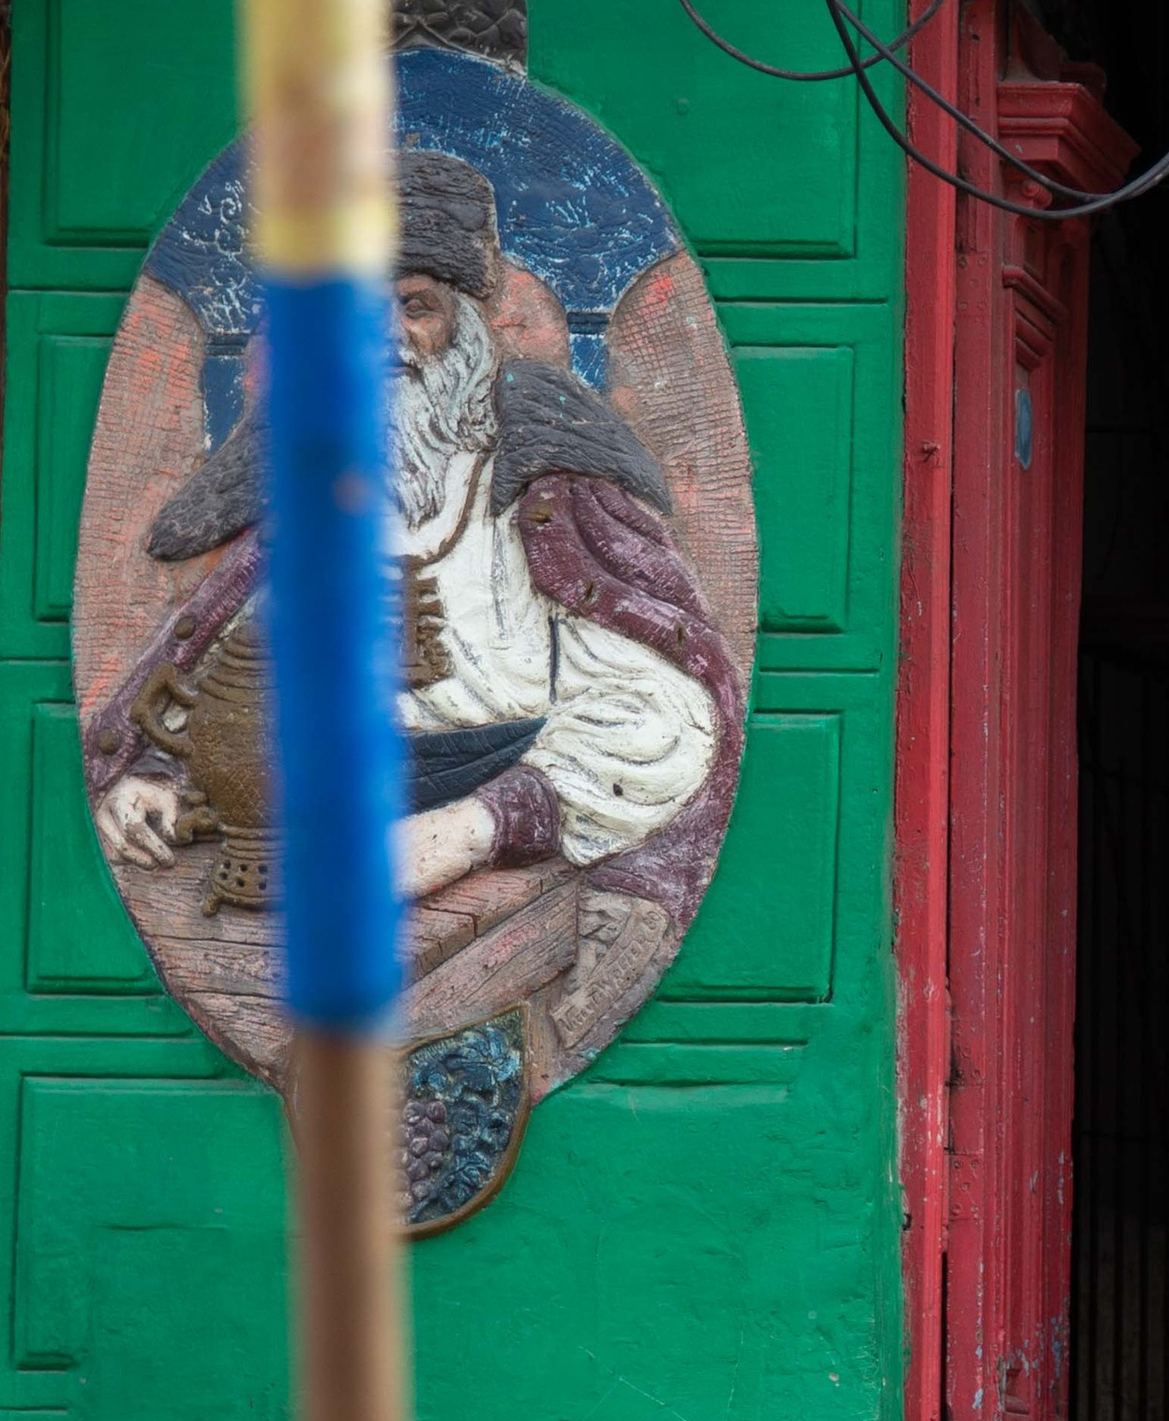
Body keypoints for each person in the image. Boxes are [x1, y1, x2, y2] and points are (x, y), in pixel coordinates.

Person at [87, 151, 739, 913]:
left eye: (416, 307)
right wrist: (159, 776)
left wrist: (474, 827)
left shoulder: (545, 489)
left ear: (464, 326)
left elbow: (665, 714)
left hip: (498, 849)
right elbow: (227, 677)